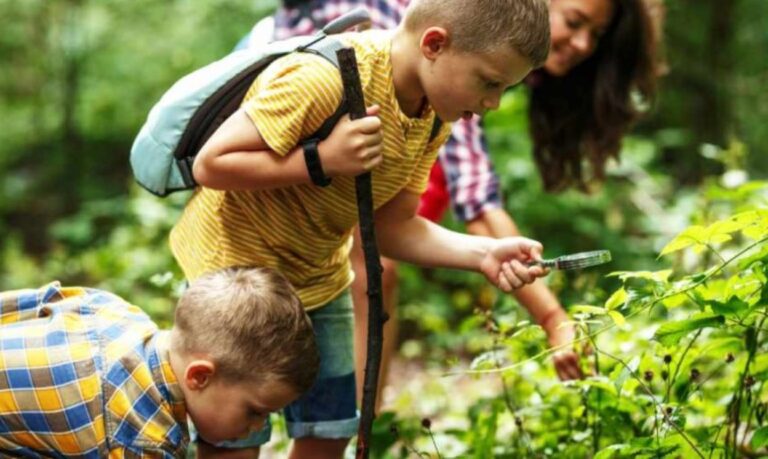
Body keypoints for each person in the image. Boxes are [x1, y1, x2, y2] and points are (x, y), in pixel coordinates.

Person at [170, 0, 552, 457]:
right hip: (236, 276)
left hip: (319, 276)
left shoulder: (431, 117)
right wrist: (321, 159)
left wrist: (483, 254)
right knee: (234, 432)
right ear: (434, 43)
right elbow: (213, 164)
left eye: (505, 88)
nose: (493, 103)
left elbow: (392, 228)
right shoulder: (323, 78)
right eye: (489, 82)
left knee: (330, 430)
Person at [0, 267, 319, 458]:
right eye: (255, 411)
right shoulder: (147, 437)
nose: (258, 427)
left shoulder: (116, 312)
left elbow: (31, 302)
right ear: (199, 377)